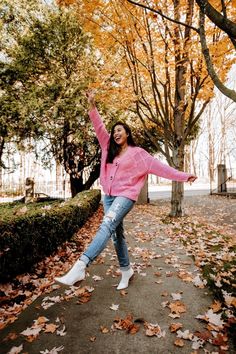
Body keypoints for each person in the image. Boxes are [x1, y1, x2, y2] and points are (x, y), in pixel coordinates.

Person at [55, 91, 197, 290]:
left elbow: (162, 168)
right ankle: (126, 270)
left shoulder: (139, 154)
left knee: (106, 225)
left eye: (120, 130)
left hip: (126, 197)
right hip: (109, 197)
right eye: (114, 131)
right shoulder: (107, 147)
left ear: (127, 133)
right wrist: (91, 104)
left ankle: (80, 266)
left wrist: (184, 176)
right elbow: (98, 125)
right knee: (115, 234)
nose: (116, 133)